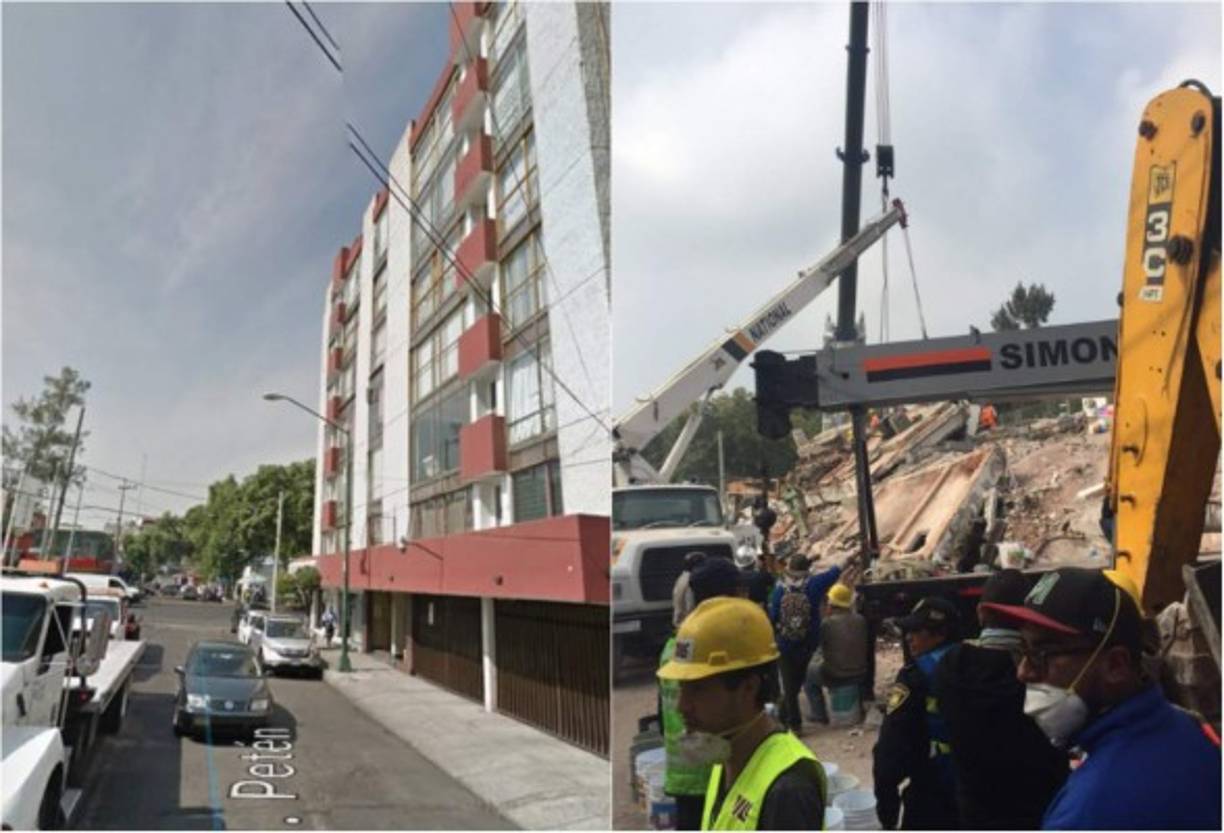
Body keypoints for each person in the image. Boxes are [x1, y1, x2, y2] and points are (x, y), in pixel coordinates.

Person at [983, 567, 1221, 830]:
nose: (1023, 671)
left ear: (1116, 665)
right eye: (1022, 651)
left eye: (1042, 653)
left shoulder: (1088, 811)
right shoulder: (1187, 727)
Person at [659, 596, 827, 830]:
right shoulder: (725, 754)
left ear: (748, 688)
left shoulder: (788, 790)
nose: (682, 706)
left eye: (697, 689)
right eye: (682, 688)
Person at [933, 570, 1067, 829]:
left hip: (974, 810)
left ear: (981, 613)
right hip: (1037, 810)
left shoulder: (951, 666)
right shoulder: (1041, 673)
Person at [659, 558, 744, 830]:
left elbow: (663, 719)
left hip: (681, 775)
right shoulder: (716, 651)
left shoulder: (673, 647)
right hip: (712, 774)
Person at [873, 597, 960, 830]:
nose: (908, 638)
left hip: (934, 792)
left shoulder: (916, 676)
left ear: (940, 634)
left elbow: (890, 750)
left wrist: (888, 813)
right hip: (980, 791)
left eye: (916, 631)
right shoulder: (978, 664)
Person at [767, 555, 842, 733]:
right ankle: (789, 719)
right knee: (797, 683)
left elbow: (773, 616)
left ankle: (793, 723)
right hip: (807, 644)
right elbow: (835, 572)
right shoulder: (814, 584)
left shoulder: (779, 588)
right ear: (806, 570)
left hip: (785, 644)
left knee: (789, 685)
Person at [805, 582, 869, 724]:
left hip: (837, 675)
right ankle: (860, 705)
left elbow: (821, 648)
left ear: (831, 604)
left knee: (808, 676)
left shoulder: (827, 624)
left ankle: (818, 714)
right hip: (860, 674)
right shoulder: (860, 619)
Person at [673, 552, 707, 628]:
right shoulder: (692, 580)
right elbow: (690, 607)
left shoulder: (682, 577)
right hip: (690, 626)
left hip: (681, 624)